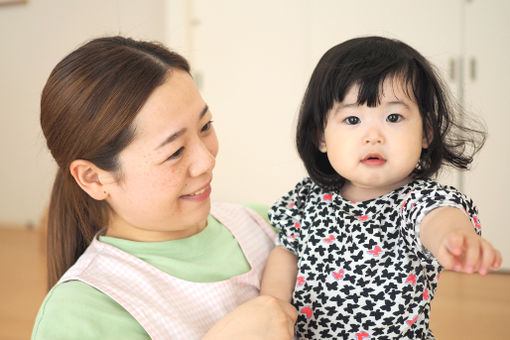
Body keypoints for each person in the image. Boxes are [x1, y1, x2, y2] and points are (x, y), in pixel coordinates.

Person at [31, 36, 297, 340]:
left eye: (206, 127)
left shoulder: (267, 223)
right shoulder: (83, 312)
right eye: (174, 152)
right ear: (93, 178)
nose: (206, 162)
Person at [260, 36, 502, 339]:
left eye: (393, 117)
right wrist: (271, 309)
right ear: (321, 136)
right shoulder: (307, 198)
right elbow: (286, 254)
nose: (373, 136)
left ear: (426, 133)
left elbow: (439, 220)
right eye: (352, 119)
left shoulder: (419, 200)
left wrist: (456, 238)